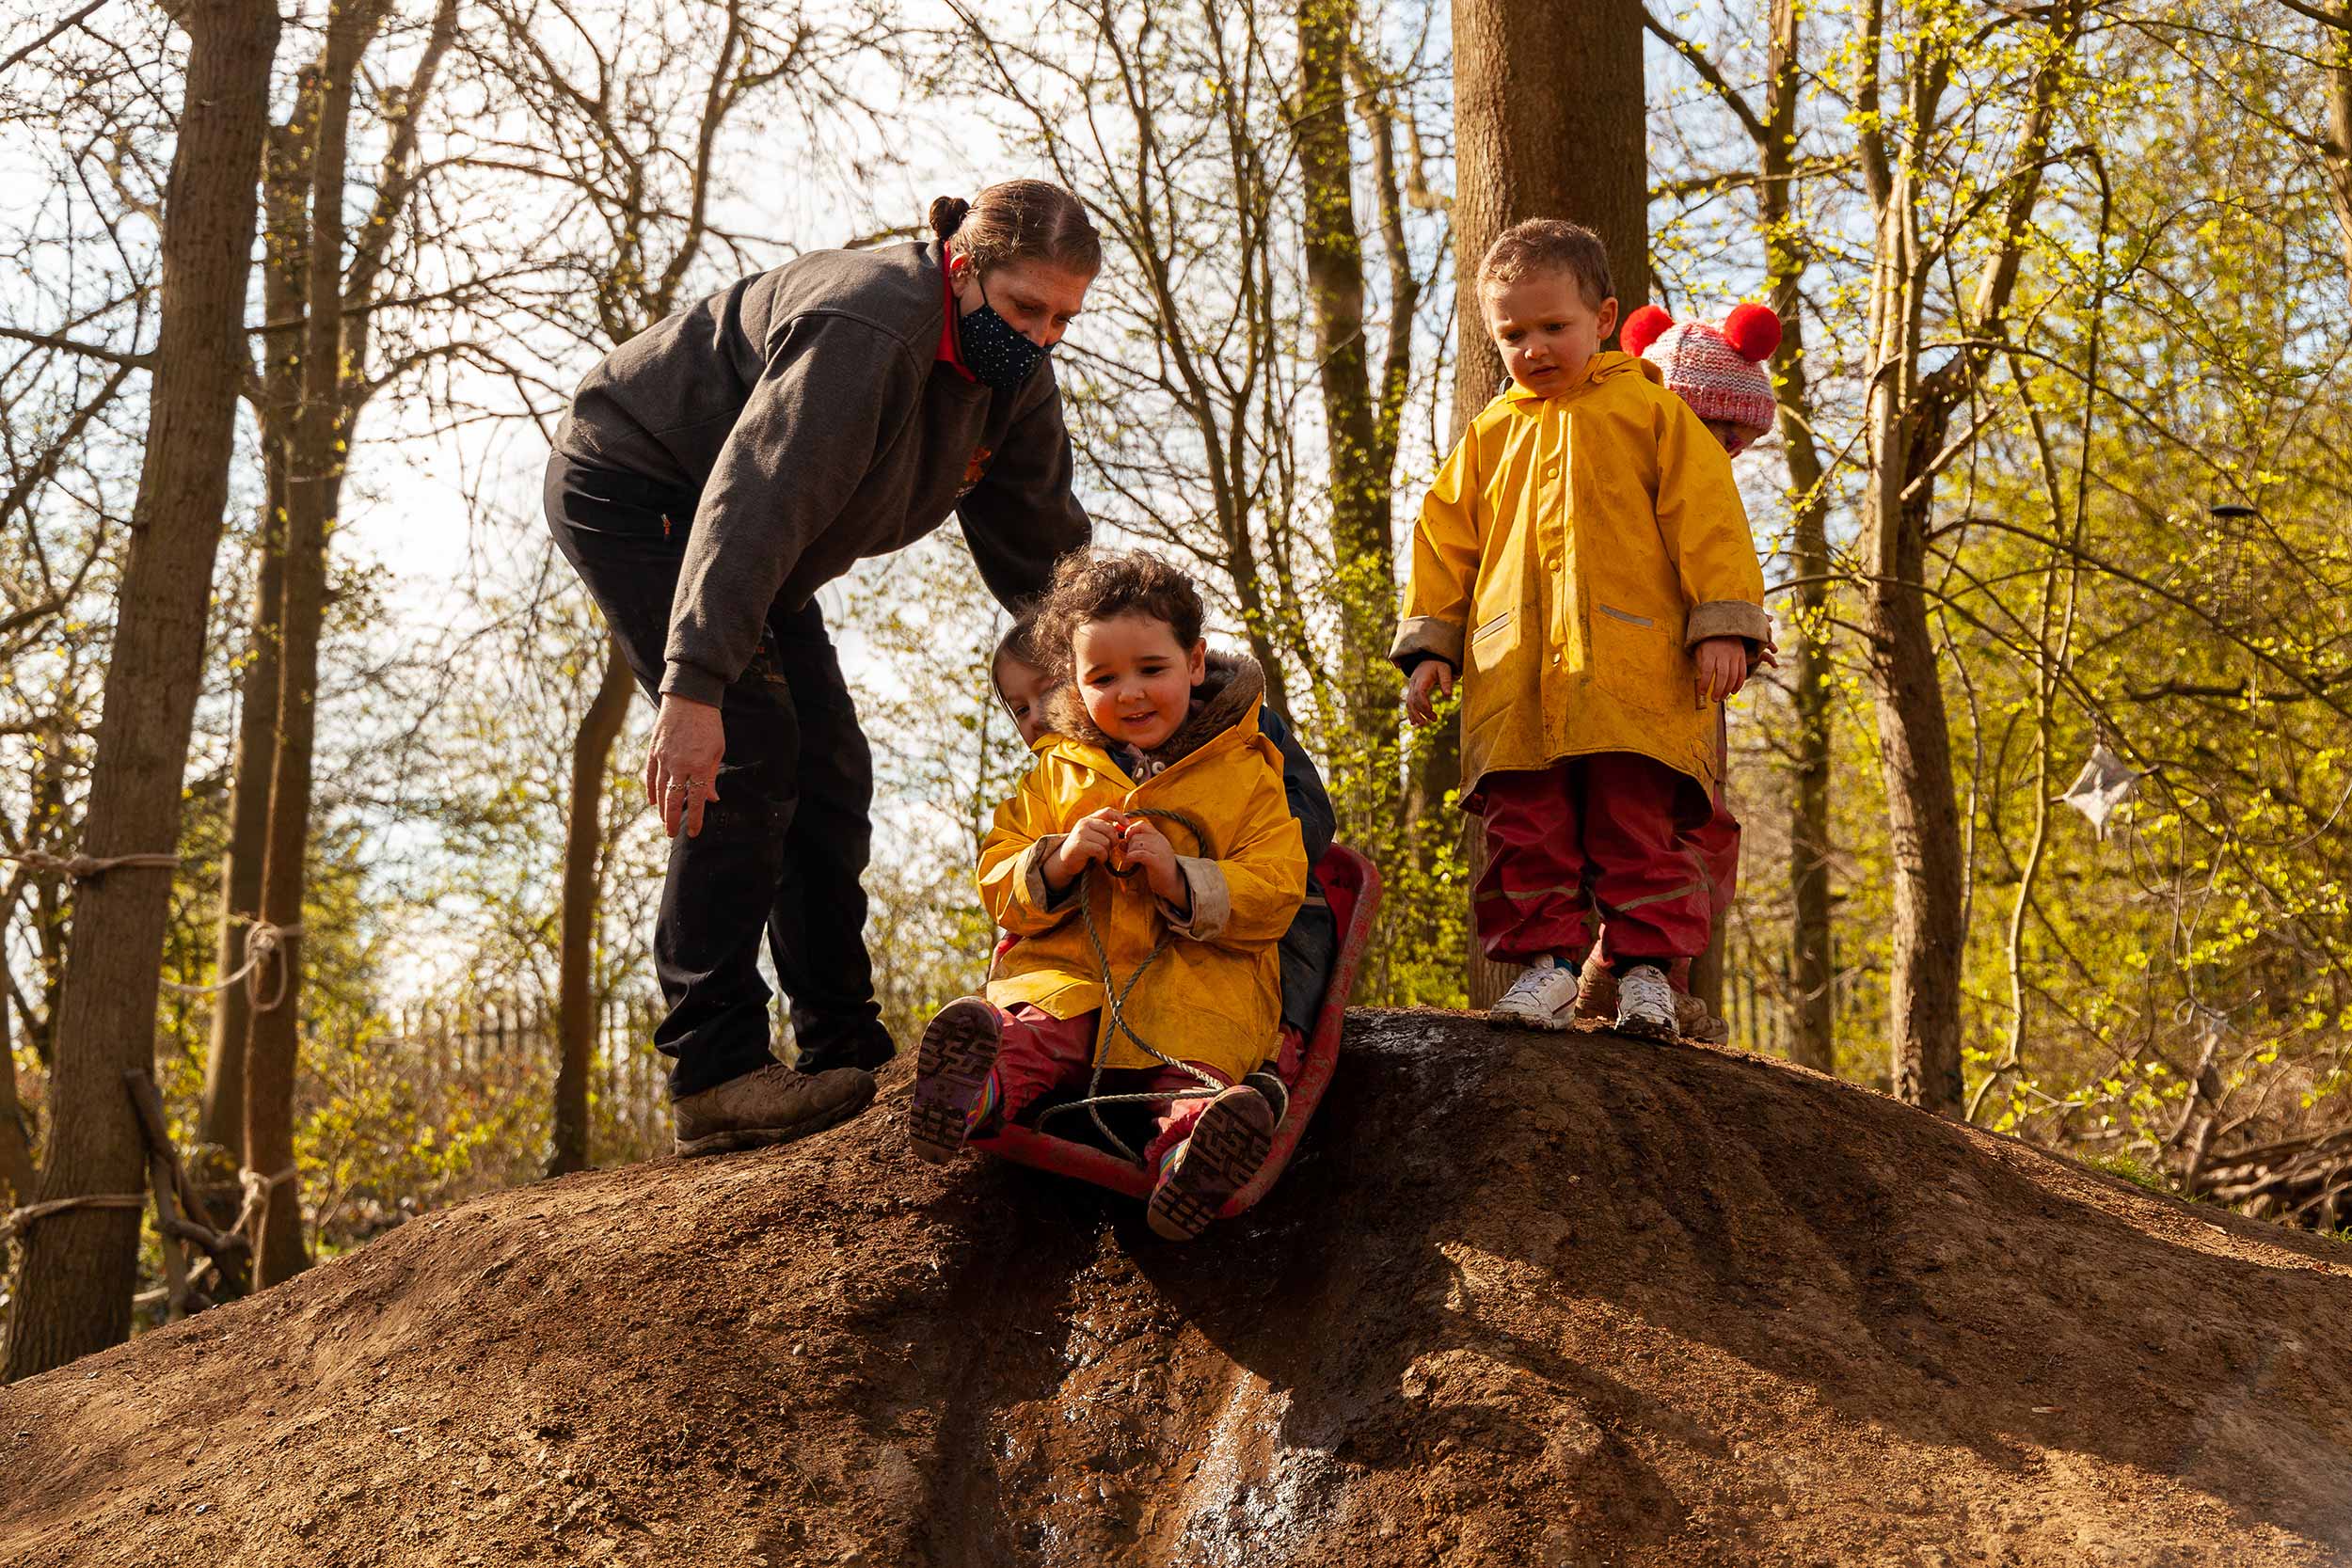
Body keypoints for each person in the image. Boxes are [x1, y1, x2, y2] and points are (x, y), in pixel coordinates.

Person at [545, 180, 1101, 1156]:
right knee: (753, 744)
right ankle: (714, 1071)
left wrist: (1112, 668)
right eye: (1024, 309)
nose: (1042, 335)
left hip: (763, 543)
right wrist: (692, 689)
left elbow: (1045, 552)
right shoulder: (868, 326)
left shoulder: (1014, 380)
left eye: (1062, 318)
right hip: (646, 487)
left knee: (833, 767)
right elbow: (753, 498)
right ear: (962, 267)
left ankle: (842, 1047)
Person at [1392, 219, 1772, 1038]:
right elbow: (1444, 540)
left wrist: (1723, 625)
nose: (1532, 349)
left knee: (1639, 827)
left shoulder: (1651, 412)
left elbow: (1708, 518)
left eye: (1551, 327)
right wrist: (1432, 647)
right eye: (1512, 335)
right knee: (1526, 830)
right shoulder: (1491, 433)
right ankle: (1548, 970)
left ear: (1603, 319)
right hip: (1515, 679)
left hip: (1635, 677)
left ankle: (1645, 976)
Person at [915, 551, 1307, 1241]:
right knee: (1035, 1029)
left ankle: (1193, 1148)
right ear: (1074, 681)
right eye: (1102, 678)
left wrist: (1181, 877)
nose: (1128, 693)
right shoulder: (1056, 773)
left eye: (1150, 670)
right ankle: (974, 1090)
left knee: (1193, 1062)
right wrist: (1059, 859)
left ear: (1194, 661)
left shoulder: (1247, 773)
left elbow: (1277, 886)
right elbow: (998, 874)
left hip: (1194, 982)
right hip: (1075, 974)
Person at [991, 615, 1338, 1087]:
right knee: (1044, 998)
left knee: (1222, 1007)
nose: (1035, 717)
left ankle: (1259, 1072)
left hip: (1223, 921)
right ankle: (991, 1073)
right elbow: (1002, 862)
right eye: (1019, 708)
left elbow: (1299, 832)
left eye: (1045, 693)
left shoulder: (1244, 741)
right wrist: (1057, 862)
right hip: (1093, 956)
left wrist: (1186, 866)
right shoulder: (1064, 771)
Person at [1575, 302, 1785, 1038]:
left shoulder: (1708, 489)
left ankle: (1656, 981)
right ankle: (1629, 972)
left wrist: (1737, 631)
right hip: (1635, 689)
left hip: (1695, 699)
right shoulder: (1633, 475)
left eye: (1741, 441)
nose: (1728, 453)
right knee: (1645, 830)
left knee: (1705, 833)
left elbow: (1716, 565)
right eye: (1721, 432)